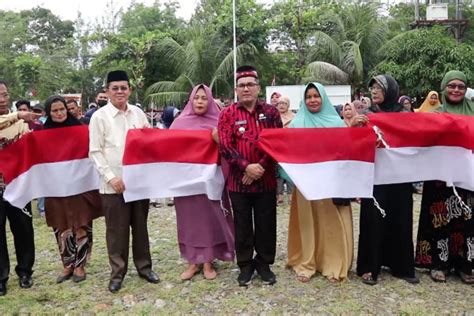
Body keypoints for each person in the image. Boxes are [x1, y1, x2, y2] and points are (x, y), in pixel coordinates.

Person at [89, 70, 159, 293]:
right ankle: (117, 273)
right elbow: (95, 152)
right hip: (112, 186)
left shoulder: (138, 114)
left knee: (140, 228)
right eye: (115, 88)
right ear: (107, 91)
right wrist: (111, 177)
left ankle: (144, 268)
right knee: (116, 231)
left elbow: (149, 142)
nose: (120, 92)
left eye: (123, 88)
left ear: (129, 90)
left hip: (138, 184)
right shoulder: (99, 117)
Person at [218, 65, 282, 286]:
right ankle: (245, 265)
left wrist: (259, 168)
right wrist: (246, 167)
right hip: (239, 182)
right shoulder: (227, 114)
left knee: (266, 224)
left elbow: (277, 142)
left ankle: (264, 264)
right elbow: (226, 147)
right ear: (236, 89)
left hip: (266, 180)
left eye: (250, 85)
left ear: (258, 88)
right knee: (242, 225)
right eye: (242, 85)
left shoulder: (272, 113)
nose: (246, 89)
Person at [286, 82, 353, 283]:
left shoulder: (337, 124)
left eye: (316, 96)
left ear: (323, 98)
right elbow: (289, 151)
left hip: (331, 182)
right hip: (306, 183)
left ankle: (334, 264)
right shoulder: (296, 124)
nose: (313, 100)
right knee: (309, 221)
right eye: (309, 97)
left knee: (332, 222)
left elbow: (348, 150)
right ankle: (307, 263)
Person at [356, 74, 419, 285]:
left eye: (379, 88)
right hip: (375, 175)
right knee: (373, 218)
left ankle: (401, 266)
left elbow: (415, 139)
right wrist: (355, 126)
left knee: (400, 217)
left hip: (400, 175)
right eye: (372, 88)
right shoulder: (367, 114)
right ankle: (369, 267)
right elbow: (354, 144)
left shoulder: (405, 114)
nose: (374, 92)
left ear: (390, 90)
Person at [170, 84, 235, 281]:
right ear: (191, 100)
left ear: (210, 100)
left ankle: (208, 261)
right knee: (190, 221)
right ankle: (193, 261)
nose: (200, 101)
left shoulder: (219, 121)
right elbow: (167, 148)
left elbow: (232, 149)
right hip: (187, 183)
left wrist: (219, 140)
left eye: (204, 98)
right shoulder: (179, 123)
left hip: (210, 182)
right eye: (196, 98)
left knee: (210, 220)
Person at [415, 70, 474, 284]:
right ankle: (438, 264)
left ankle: (465, 265)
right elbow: (420, 137)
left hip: (467, 176)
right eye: (451, 85)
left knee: (467, 220)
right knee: (440, 218)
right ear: (443, 87)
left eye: (460, 86)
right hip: (439, 176)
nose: (456, 90)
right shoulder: (435, 113)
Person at [41, 95, 102, 284]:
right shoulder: (42, 135)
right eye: (55, 110)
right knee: (61, 226)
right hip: (56, 187)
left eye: (62, 109)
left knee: (82, 223)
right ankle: (67, 264)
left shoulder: (81, 130)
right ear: (48, 113)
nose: (59, 113)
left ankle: (80, 264)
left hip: (80, 186)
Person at [0, 80, 36, 296]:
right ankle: (1, 277)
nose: (2, 99)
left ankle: (25, 271)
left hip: (17, 184)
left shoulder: (21, 122)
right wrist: (19, 115)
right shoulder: (17, 117)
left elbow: (28, 147)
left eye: (5, 95)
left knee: (23, 228)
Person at [276, 96, 295, 204]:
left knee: (289, 171)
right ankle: (279, 195)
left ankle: (291, 194)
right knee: (277, 172)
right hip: (277, 148)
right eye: (280, 103)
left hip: (290, 148)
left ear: (288, 105)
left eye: (284, 103)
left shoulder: (294, 117)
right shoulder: (274, 116)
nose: (281, 105)